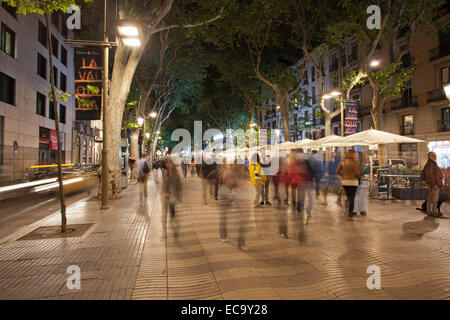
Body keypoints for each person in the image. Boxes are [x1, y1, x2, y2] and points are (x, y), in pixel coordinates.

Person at [336, 150, 361, 221]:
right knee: (352, 198)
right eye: (355, 154)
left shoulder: (342, 162)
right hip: (353, 182)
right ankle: (350, 215)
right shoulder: (355, 162)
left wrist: (343, 175)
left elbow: (337, 171)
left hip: (345, 182)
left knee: (348, 197)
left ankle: (347, 211)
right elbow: (358, 173)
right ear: (353, 155)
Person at [160, 159, 183, 238]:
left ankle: (174, 227)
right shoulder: (165, 174)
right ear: (166, 165)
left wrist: (177, 197)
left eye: (171, 164)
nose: (169, 165)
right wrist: (166, 194)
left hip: (173, 198)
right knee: (164, 214)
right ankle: (164, 231)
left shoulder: (176, 176)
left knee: (173, 214)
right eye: (168, 164)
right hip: (165, 197)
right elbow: (162, 188)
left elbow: (179, 188)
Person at [422, 151, 443, 217]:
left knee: (432, 198)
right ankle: (432, 212)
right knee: (434, 199)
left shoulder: (433, 163)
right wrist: (434, 185)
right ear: (429, 157)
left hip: (436, 184)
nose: (434, 156)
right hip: (434, 185)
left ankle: (430, 211)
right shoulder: (430, 164)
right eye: (432, 155)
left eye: (435, 155)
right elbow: (430, 176)